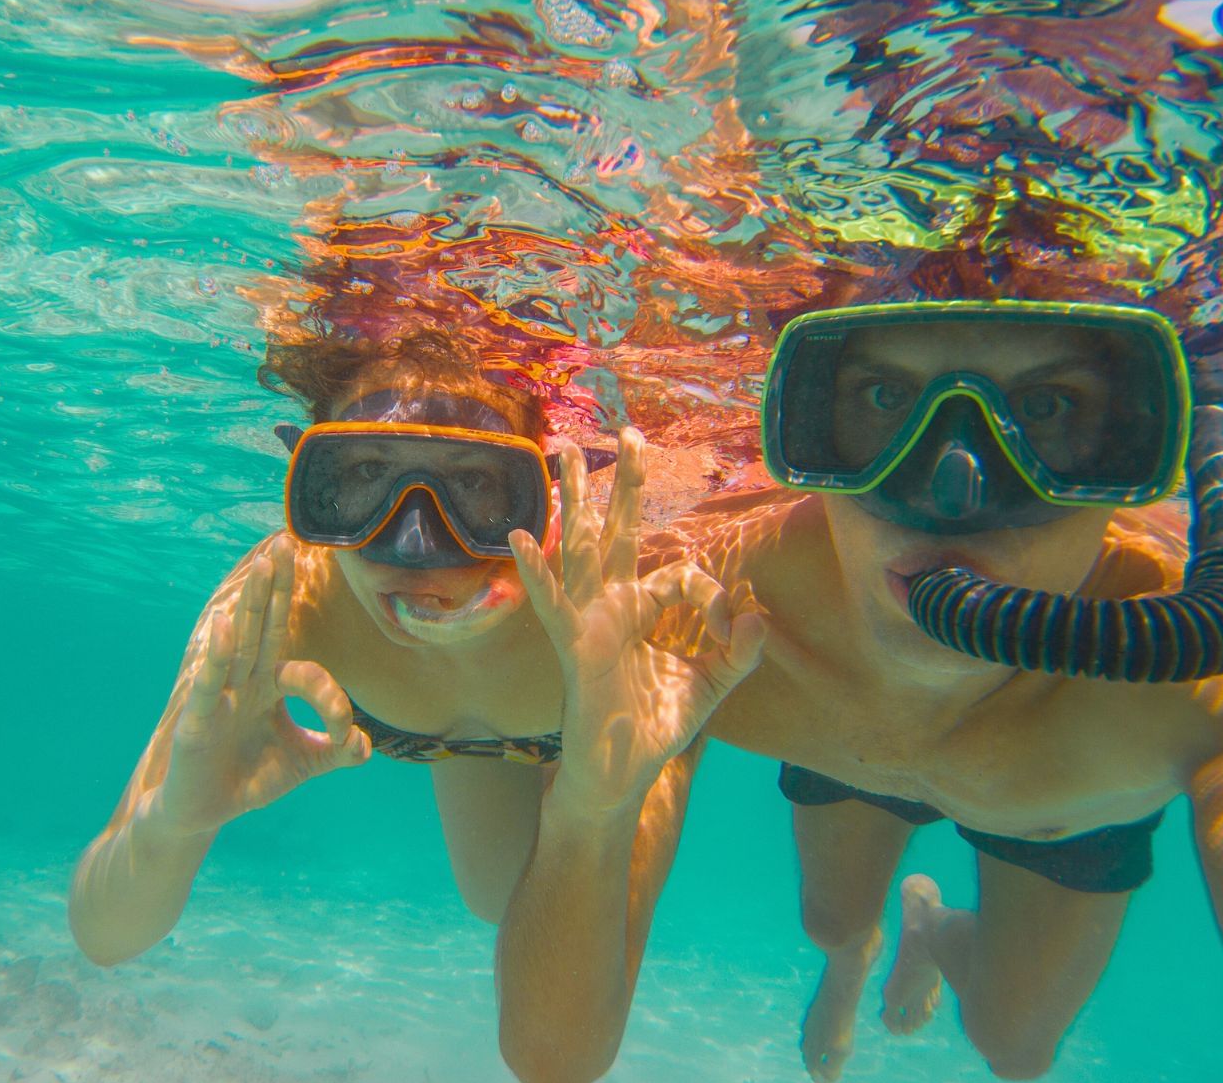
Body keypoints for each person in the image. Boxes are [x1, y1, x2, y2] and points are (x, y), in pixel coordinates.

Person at [493, 294, 1223, 1083]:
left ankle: (935, 931)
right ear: (809, 423)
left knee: (1013, 1047)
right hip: (848, 750)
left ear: (1142, 449)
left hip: (1059, 810)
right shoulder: (703, 607)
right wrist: (588, 803)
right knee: (830, 920)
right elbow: (553, 1065)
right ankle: (852, 957)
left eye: (1048, 410)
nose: (952, 487)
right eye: (879, 399)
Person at [67, 325, 754, 965]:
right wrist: (173, 827)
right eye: (366, 475)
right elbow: (105, 938)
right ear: (314, 482)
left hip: (623, 712)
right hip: (481, 731)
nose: (417, 545)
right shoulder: (279, 599)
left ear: (544, 487)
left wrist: (610, 778)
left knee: (597, 927)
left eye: (478, 484)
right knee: (495, 903)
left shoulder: (627, 576)